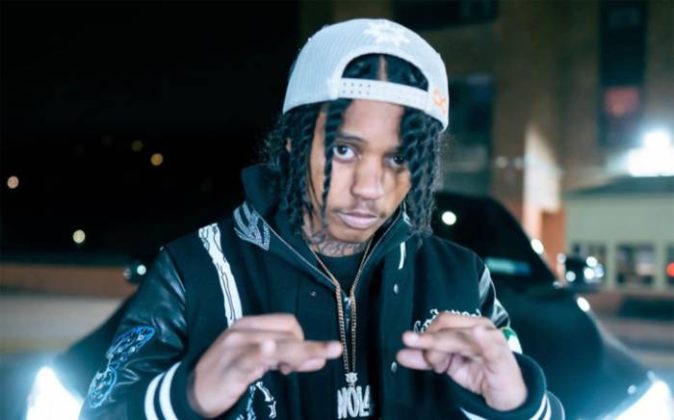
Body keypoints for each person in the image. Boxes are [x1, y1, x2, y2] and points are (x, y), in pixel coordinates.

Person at [81, 18, 563, 419]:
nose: (369, 187)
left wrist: (516, 405)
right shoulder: (194, 270)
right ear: (294, 141)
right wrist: (184, 398)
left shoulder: (461, 276)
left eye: (398, 158)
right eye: (344, 149)